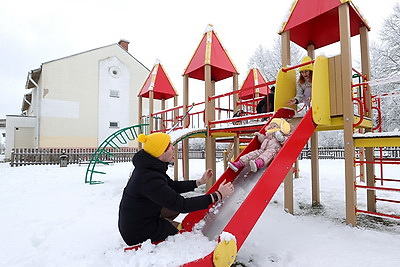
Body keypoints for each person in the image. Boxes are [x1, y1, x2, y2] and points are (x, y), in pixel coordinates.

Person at [118, 132, 234, 246]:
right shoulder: (148, 178)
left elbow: (171, 186)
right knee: (182, 235)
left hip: (140, 219)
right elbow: (182, 205)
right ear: (160, 152)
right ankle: (168, 230)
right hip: (137, 232)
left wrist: (199, 182)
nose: (173, 147)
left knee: (172, 206)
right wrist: (217, 195)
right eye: (169, 145)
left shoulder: (150, 168)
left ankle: (166, 224)